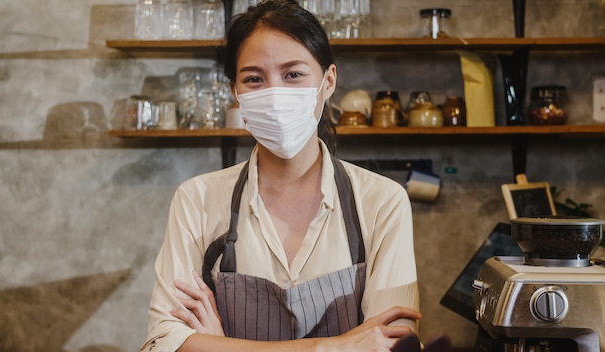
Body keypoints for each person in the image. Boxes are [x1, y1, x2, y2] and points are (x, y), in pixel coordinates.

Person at [141, 1, 421, 351]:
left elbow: (392, 344)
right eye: (254, 79)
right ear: (236, 93)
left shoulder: (382, 201)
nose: (274, 94)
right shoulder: (196, 198)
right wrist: (333, 346)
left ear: (328, 81)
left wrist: (218, 345)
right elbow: (163, 342)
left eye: (293, 74)